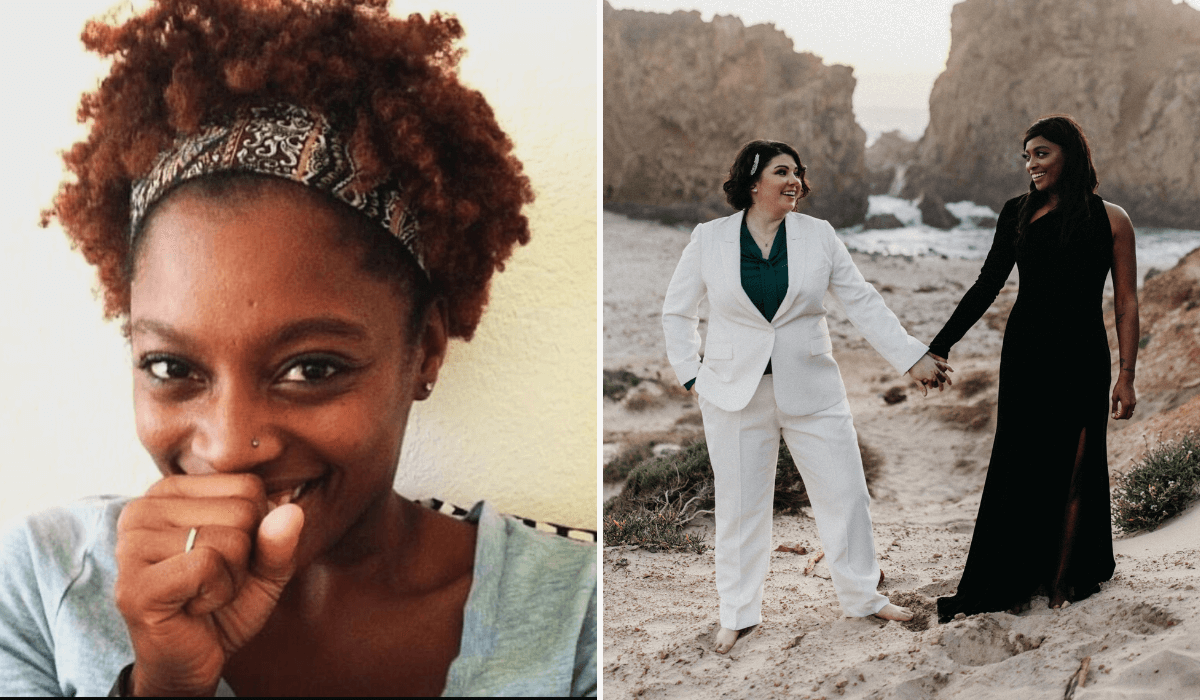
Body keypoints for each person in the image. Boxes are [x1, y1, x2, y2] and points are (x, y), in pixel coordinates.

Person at [0, 0, 596, 696]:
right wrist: (163, 684)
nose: (227, 447)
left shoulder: (577, 616)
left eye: (310, 370)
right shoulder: (43, 585)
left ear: (425, 352)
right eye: (172, 368)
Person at [662, 139, 951, 654]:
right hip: (732, 394)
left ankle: (863, 596)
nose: (794, 180)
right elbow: (677, 310)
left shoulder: (819, 235)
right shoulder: (709, 239)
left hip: (814, 389)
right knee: (741, 507)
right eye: (781, 172)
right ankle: (737, 613)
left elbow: (862, 301)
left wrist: (912, 357)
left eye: (797, 172)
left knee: (846, 493)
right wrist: (692, 376)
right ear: (753, 183)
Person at [930, 114, 1138, 623]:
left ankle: (1067, 574)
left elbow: (1127, 302)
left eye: (1041, 153)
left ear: (1069, 153)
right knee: (1022, 461)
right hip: (1026, 353)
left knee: (1078, 462)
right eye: (1027, 156)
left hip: (1084, 353)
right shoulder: (1016, 213)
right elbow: (986, 285)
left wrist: (1127, 374)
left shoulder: (1113, 219)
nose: (1032, 164)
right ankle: (1018, 574)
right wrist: (941, 345)